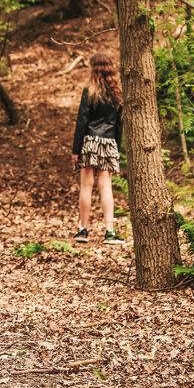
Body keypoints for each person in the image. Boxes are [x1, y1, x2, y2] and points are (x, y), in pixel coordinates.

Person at [70, 52, 124, 244]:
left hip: (90, 142)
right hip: (109, 142)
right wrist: (116, 147)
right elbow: (119, 124)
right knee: (106, 186)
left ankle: (83, 230)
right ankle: (109, 231)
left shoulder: (89, 92)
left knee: (86, 186)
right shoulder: (117, 93)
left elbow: (82, 122)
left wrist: (76, 149)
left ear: (94, 69)